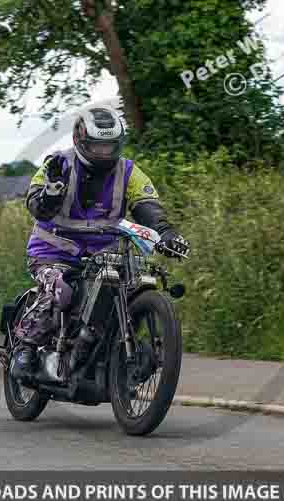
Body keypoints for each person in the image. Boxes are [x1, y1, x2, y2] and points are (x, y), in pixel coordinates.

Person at [10, 105, 190, 378]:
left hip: (103, 255)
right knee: (62, 292)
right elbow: (36, 207)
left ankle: (103, 348)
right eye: (98, 146)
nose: (105, 153)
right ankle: (25, 347)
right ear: (80, 141)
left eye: (110, 146)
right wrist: (51, 192)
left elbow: (148, 207)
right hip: (51, 252)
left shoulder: (130, 172)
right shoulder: (57, 164)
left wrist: (166, 233)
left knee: (124, 286)